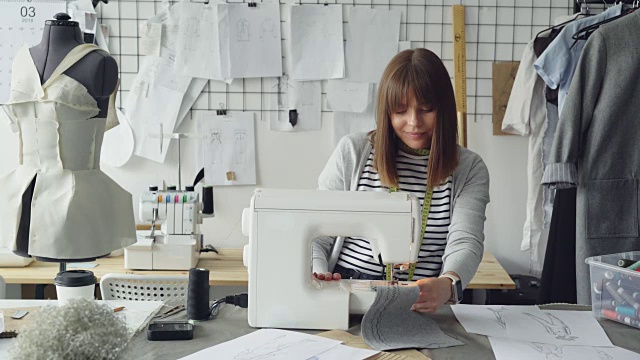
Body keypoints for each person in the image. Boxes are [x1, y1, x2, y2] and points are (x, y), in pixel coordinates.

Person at [312, 48, 490, 313]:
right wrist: (318, 274)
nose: (414, 122)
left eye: (426, 109)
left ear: (444, 109)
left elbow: (465, 240)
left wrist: (448, 283)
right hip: (345, 290)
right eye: (400, 111)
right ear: (386, 112)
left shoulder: (469, 168)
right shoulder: (353, 152)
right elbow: (317, 230)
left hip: (422, 298)